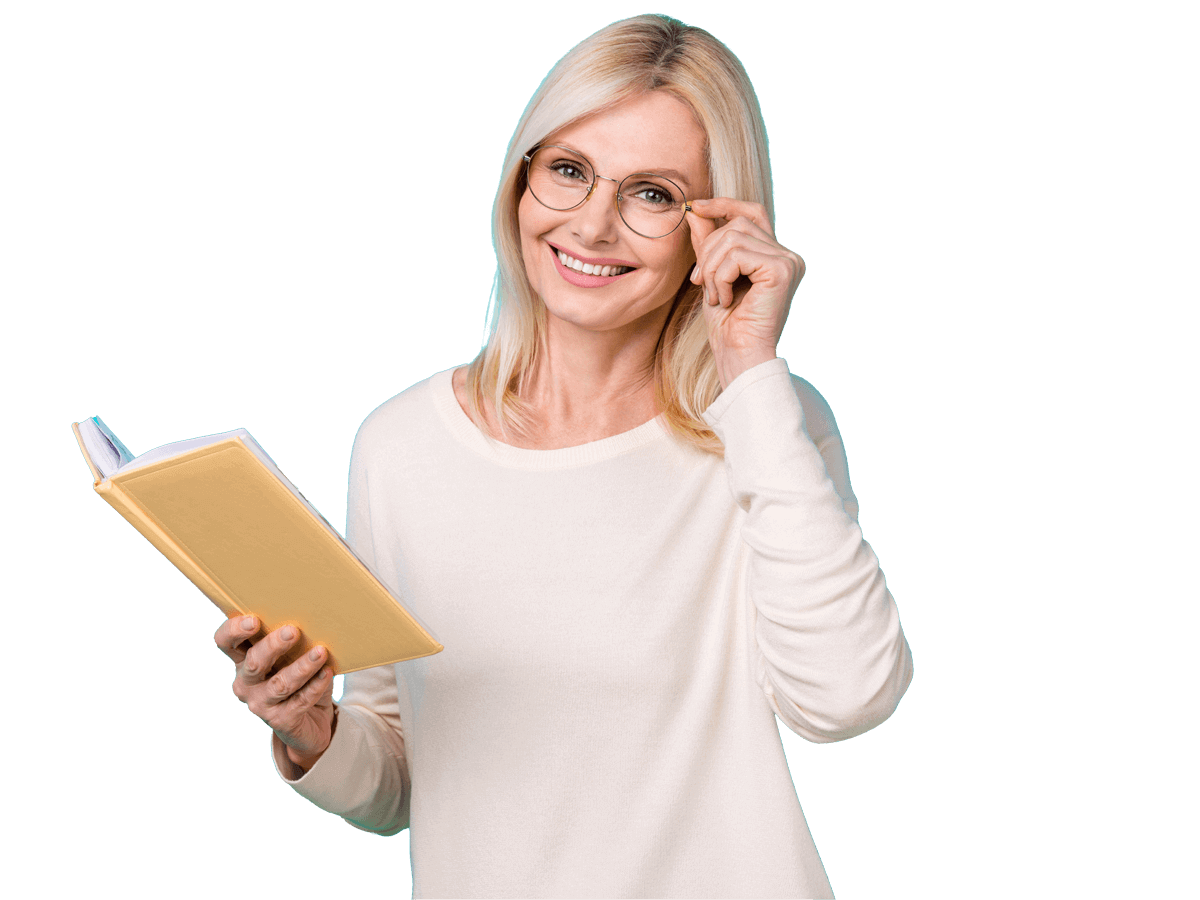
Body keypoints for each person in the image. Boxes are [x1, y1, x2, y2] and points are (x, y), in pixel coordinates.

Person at [214, 14, 912, 899]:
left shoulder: (763, 424)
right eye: (570, 171)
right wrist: (310, 732)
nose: (593, 226)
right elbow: (398, 782)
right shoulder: (401, 444)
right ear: (520, 181)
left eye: (652, 193)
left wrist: (749, 369)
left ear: (716, 227)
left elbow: (847, 701)